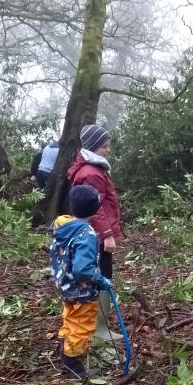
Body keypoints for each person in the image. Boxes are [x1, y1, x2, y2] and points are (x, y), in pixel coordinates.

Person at [49, 185, 112, 379]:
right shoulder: (87, 235)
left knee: (70, 318)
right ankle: (73, 366)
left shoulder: (63, 224)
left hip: (64, 286)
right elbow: (82, 269)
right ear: (95, 209)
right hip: (81, 291)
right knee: (82, 324)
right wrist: (101, 280)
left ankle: (65, 348)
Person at [68, 124, 124, 339]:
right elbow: (95, 208)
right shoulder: (91, 172)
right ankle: (99, 330)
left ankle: (98, 327)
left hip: (96, 233)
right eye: (104, 146)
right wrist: (107, 234)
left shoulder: (94, 167)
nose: (108, 150)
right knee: (101, 276)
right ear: (92, 146)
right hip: (97, 235)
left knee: (101, 274)